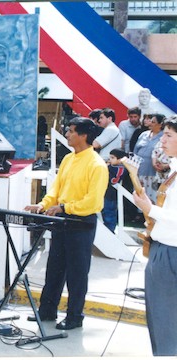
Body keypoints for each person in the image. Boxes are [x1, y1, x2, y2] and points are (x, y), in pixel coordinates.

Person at [25, 117, 107, 330]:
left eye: (71, 131)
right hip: (62, 220)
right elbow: (56, 189)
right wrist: (43, 204)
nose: (68, 134)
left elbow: (93, 201)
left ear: (84, 135)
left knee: (77, 273)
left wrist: (64, 207)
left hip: (81, 223)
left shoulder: (97, 165)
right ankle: (47, 311)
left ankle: (74, 317)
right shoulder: (69, 159)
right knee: (54, 268)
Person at [132, 116, 177, 356]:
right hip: (163, 250)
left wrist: (151, 210)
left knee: (164, 321)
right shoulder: (173, 171)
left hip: (170, 253)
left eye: (169, 135)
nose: (163, 141)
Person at [134, 113, 165, 203]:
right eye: (150, 121)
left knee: (151, 197)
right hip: (139, 171)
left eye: (153, 122)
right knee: (139, 194)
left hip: (153, 173)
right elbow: (135, 151)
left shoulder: (163, 137)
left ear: (160, 124)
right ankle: (138, 215)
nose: (150, 123)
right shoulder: (144, 134)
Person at [102, 148, 128, 232]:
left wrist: (106, 169)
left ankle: (109, 230)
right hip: (107, 192)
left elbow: (114, 180)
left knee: (109, 213)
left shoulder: (120, 168)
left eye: (113, 158)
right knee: (106, 212)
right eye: (110, 157)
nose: (110, 159)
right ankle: (107, 229)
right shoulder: (112, 166)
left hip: (111, 194)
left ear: (120, 159)